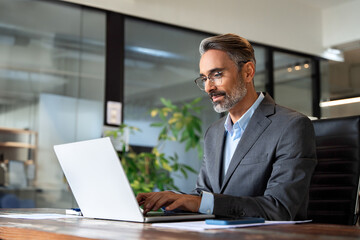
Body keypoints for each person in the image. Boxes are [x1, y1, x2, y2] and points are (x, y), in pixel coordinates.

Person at [136, 33, 317, 221]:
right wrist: (172, 200)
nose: (208, 87)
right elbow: (204, 194)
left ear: (248, 72)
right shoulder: (214, 132)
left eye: (217, 75)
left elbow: (279, 208)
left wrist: (198, 202)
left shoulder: (291, 126)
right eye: (204, 78)